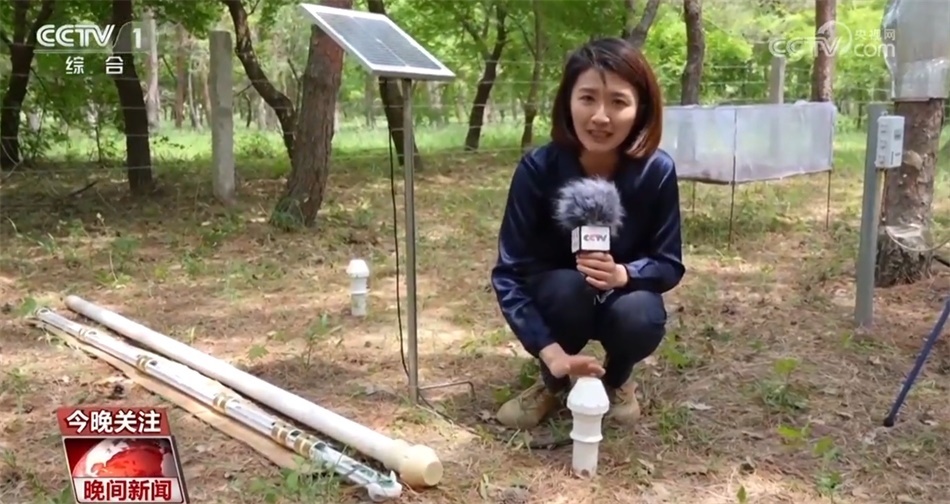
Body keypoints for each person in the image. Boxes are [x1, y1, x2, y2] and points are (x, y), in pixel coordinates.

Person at [490, 37, 685, 430]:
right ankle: (552, 382)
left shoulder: (657, 171)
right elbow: (509, 273)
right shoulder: (537, 169)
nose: (600, 116)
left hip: (623, 300)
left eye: (618, 102)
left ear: (641, 109)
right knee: (568, 287)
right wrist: (550, 353)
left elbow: (669, 263)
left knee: (640, 312)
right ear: (568, 102)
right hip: (559, 300)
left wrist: (623, 274)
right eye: (588, 98)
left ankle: (617, 378)